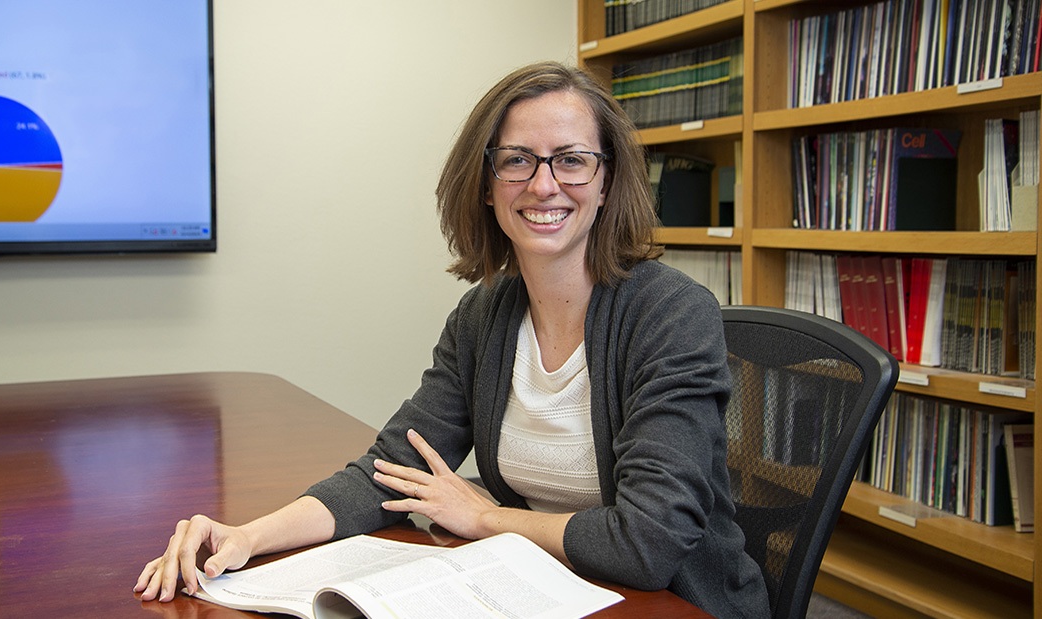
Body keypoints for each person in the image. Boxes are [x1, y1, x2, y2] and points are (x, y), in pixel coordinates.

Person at [135, 61, 770, 618]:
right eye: (518, 159)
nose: (543, 184)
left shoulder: (670, 313)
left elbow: (649, 544)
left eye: (572, 159)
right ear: (488, 183)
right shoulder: (484, 316)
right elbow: (389, 471)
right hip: (545, 589)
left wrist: (485, 517)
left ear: (606, 183)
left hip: (675, 605)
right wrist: (247, 537)